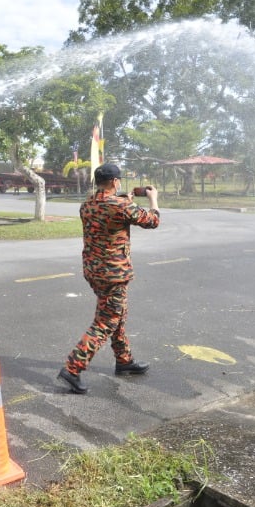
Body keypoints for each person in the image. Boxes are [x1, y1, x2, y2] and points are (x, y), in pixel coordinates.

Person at [58, 163, 159, 395]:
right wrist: (153, 199)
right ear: (115, 181)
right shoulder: (121, 205)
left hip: (94, 271)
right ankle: (72, 368)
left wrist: (127, 199)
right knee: (106, 321)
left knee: (116, 315)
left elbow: (109, 210)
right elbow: (152, 221)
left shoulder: (87, 205)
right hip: (114, 273)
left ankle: (124, 360)